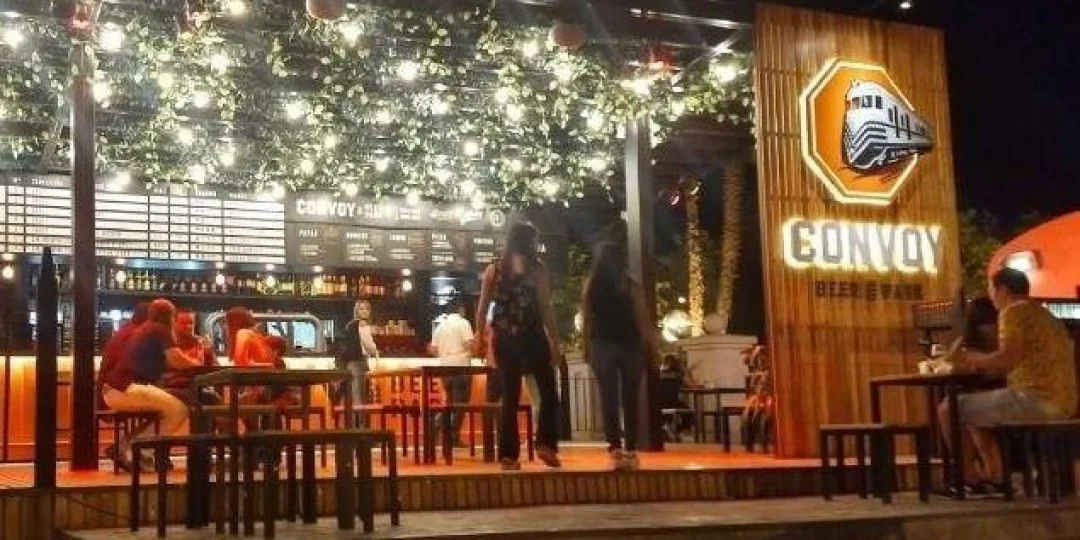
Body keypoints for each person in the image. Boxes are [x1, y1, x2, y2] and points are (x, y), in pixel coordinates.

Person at [939, 268, 1078, 492]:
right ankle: (996, 477)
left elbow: (1007, 358)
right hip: (1064, 401)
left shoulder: (1013, 312)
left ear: (1003, 289)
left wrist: (970, 358)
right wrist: (987, 364)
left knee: (949, 409)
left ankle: (967, 480)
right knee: (976, 410)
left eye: (991, 289)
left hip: (1035, 400)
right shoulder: (1044, 315)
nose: (991, 296)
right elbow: (1020, 361)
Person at [476, 222, 562, 470]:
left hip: (504, 337)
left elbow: (482, 307)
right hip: (532, 335)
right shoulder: (537, 269)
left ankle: (508, 455)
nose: (537, 245)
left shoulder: (494, 269)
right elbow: (545, 307)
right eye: (534, 241)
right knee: (548, 390)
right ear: (528, 242)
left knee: (510, 396)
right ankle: (545, 443)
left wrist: (480, 337)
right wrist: (555, 341)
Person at [581, 242, 659, 471]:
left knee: (609, 397)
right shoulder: (631, 286)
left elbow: (586, 318)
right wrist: (653, 347)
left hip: (602, 343)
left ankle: (614, 447)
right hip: (630, 344)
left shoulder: (591, 286)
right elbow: (642, 319)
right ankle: (631, 448)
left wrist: (586, 345)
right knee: (630, 397)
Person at [101, 299, 201, 471]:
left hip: (114, 390)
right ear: (170, 316)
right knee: (179, 409)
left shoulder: (145, 328)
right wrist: (196, 363)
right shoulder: (160, 329)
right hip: (126, 388)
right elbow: (176, 359)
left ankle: (125, 446)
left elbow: (166, 362)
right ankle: (137, 450)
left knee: (166, 409)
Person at [97, 302, 150, 461]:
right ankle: (127, 448)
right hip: (117, 391)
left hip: (110, 390)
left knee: (161, 405)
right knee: (167, 407)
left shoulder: (127, 331)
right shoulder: (136, 335)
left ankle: (129, 448)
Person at [429, 297, 476, 447]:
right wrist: (476, 346)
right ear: (460, 309)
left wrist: (446, 352)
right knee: (460, 405)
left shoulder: (440, 326)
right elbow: (470, 344)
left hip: (444, 368)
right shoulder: (463, 323)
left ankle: (438, 426)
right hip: (461, 367)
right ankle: (452, 436)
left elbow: (433, 350)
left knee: (450, 403)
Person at [163, 310, 220, 406]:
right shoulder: (168, 343)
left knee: (213, 398)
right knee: (212, 398)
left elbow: (215, 368)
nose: (188, 326)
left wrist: (208, 355)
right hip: (173, 388)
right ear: (174, 323)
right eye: (183, 323)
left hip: (197, 386)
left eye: (191, 323)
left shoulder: (201, 342)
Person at [336, 300, 380, 412]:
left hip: (349, 364)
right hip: (359, 362)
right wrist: (376, 352)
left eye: (367, 309)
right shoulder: (362, 324)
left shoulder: (350, 325)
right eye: (361, 309)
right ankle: (361, 422)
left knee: (353, 397)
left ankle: (353, 422)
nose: (364, 311)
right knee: (360, 399)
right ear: (356, 311)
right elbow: (368, 344)